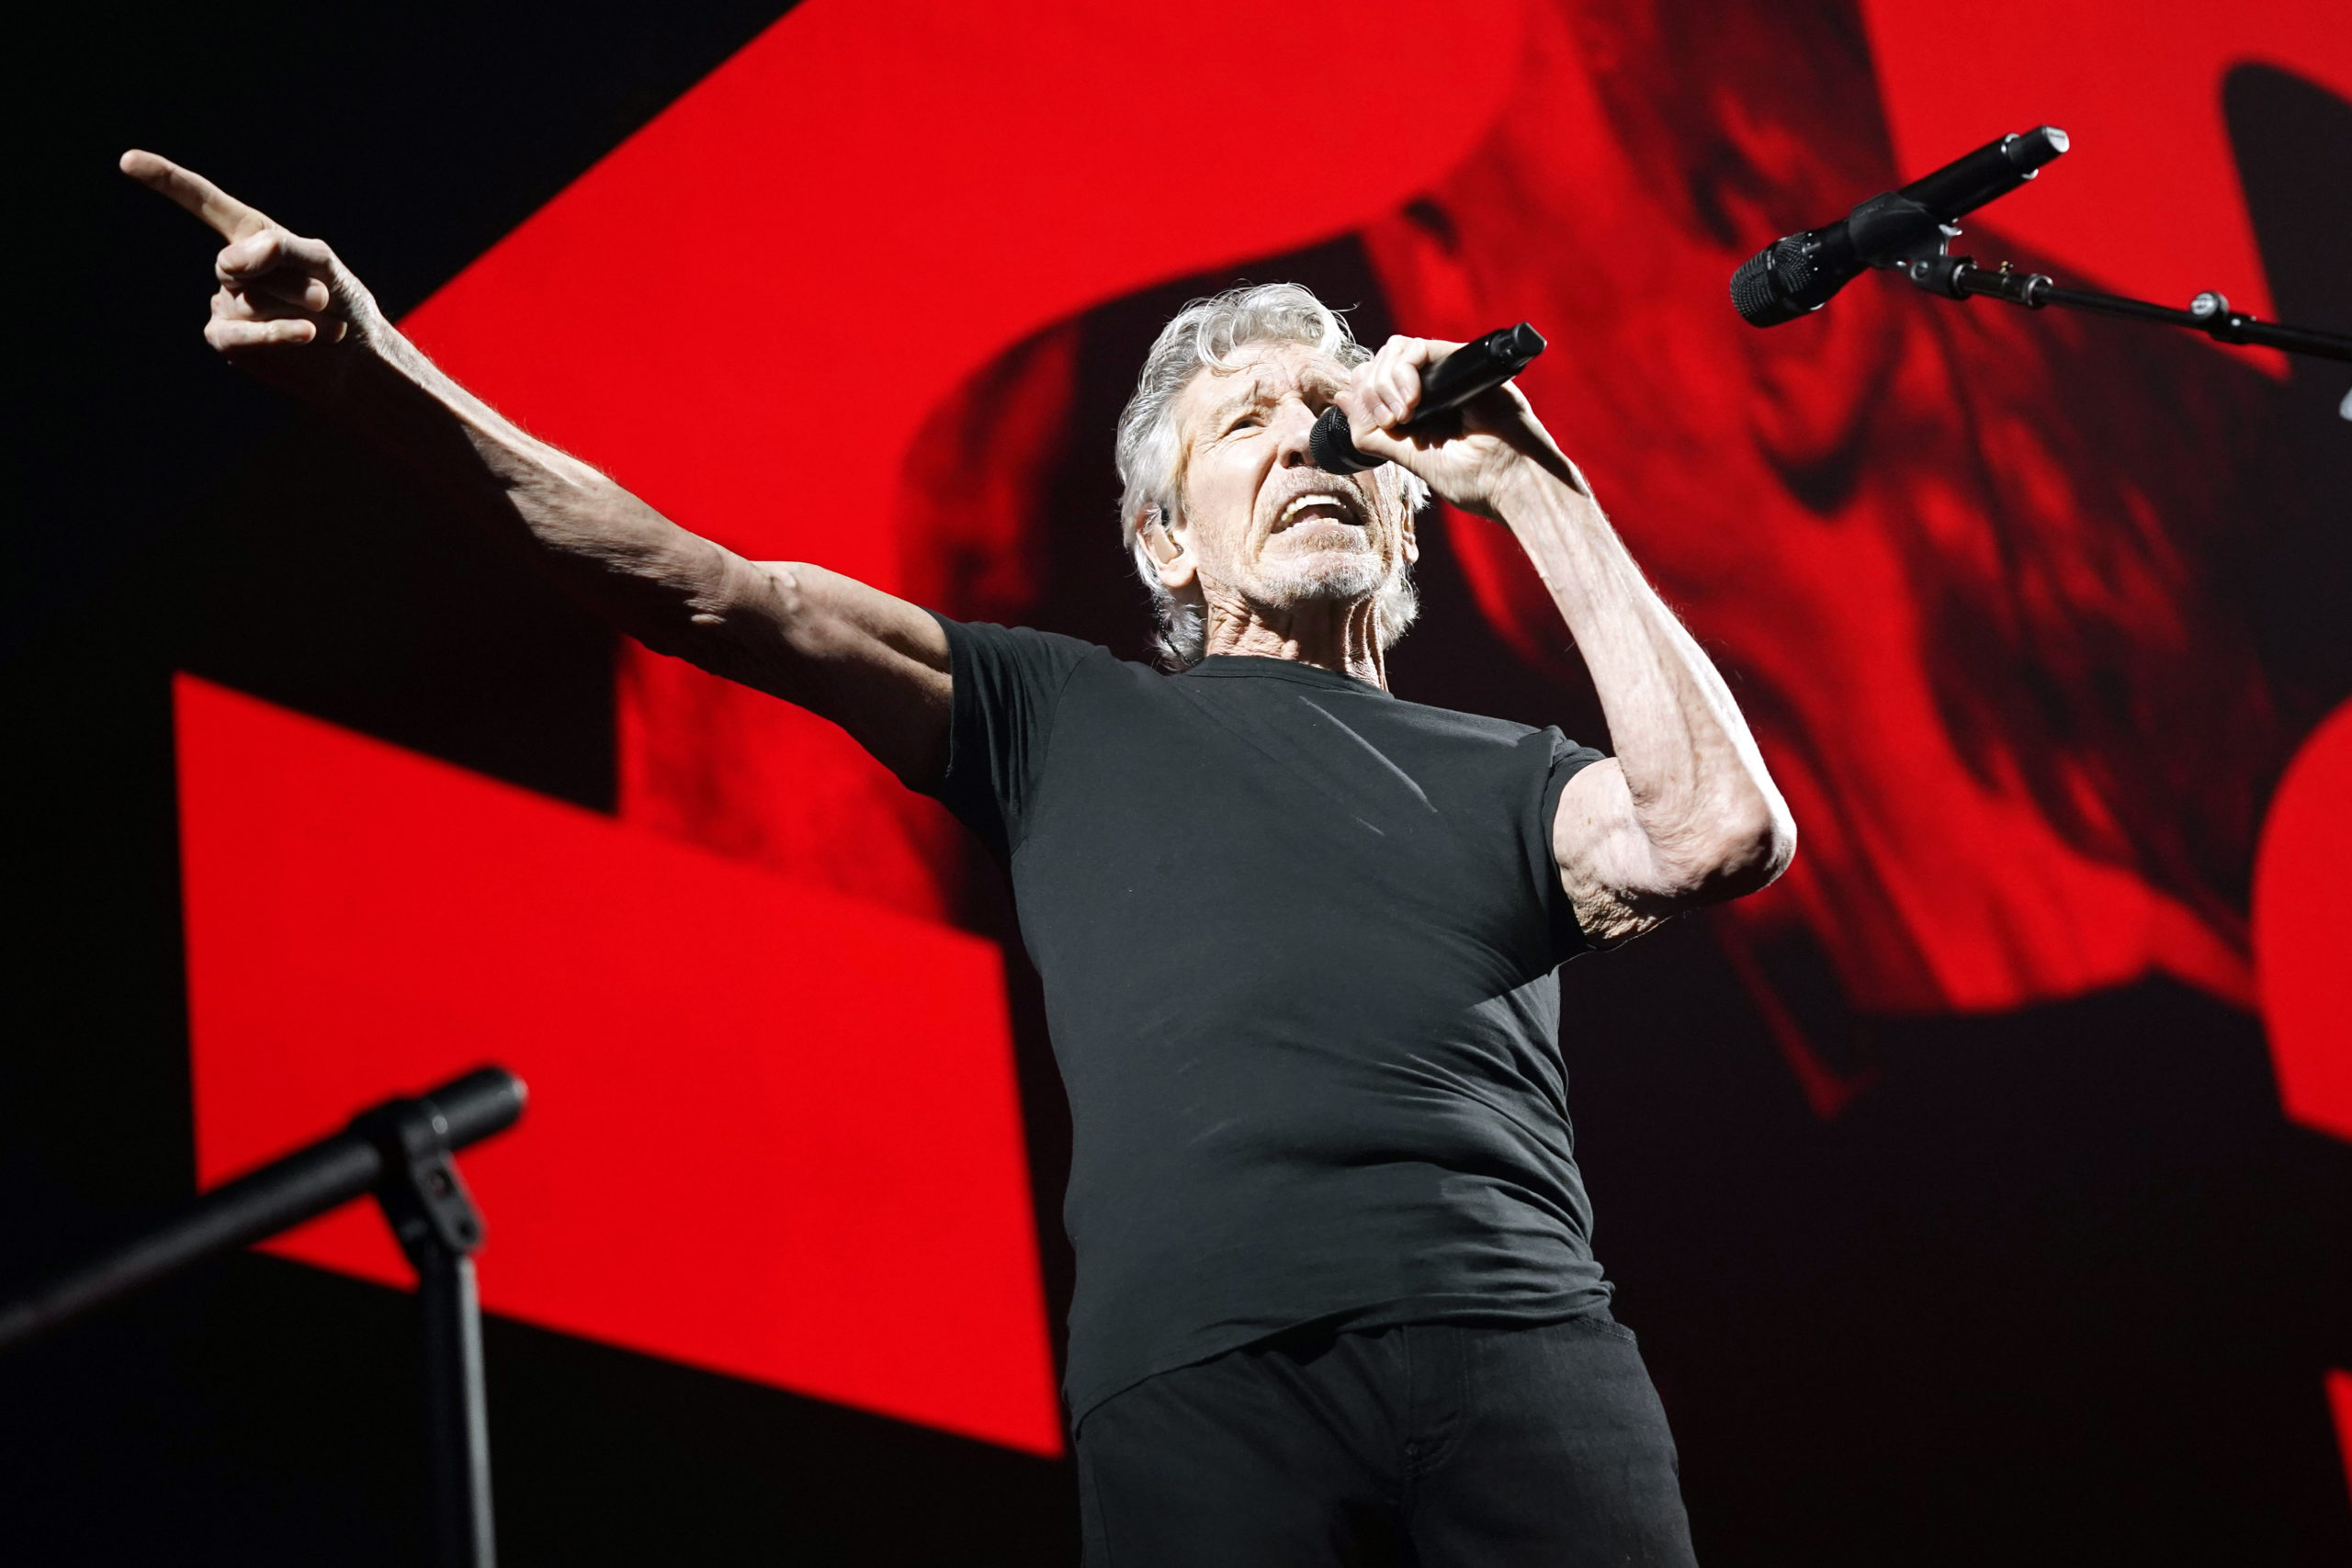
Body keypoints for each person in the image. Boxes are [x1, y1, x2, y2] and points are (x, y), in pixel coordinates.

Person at [124, 149, 1794, 1567]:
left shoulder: (1520, 775)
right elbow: (708, 587)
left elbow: (1721, 830)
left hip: (1522, 1359)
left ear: (1407, 511)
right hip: (1202, 1390)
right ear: (1160, 536)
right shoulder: (1054, 711)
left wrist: (1533, 479)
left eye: (1331, 417)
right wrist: (378, 378)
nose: (1310, 445)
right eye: (1246, 427)